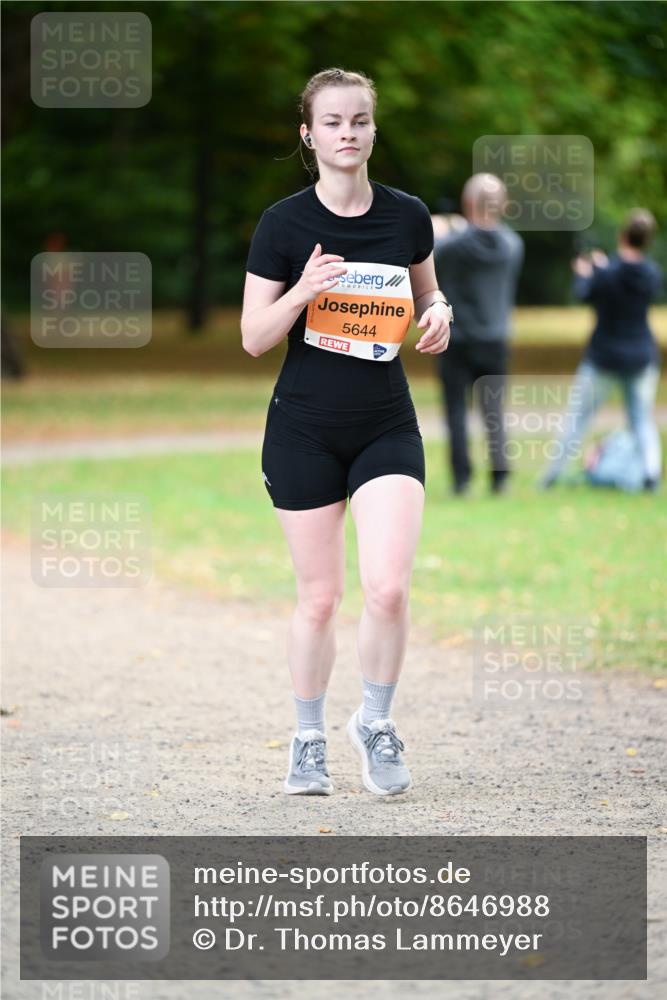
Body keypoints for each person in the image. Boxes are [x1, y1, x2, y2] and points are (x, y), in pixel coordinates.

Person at [241, 68, 452, 796]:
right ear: (309, 134)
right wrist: (303, 289)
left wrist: (439, 316)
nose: (347, 134)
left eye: (358, 120)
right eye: (332, 122)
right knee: (320, 599)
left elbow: (427, 295)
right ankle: (306, 738)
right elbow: (252, 338)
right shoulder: (282, 225)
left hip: (384, 423)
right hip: (301, 428)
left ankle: (375, 720)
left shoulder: (406, 216)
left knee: (388, 587)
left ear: (371, 129)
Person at [540, 209, 663, 491]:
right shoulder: (651, 274)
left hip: (604, 357)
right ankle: (650, 475)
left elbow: (586, 292)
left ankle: (552, 475)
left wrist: (585, 273)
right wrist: (603, 269)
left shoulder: (607, 273)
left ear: (622, 236)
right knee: (641, 419)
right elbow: (623, 277)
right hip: (641, 357)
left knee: (577, 418)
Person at [432, 174, 524, 495]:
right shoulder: (513, 245)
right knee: (495, 414)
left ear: (467, 203)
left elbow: (432, 258)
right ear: (503, 205)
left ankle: (462, 480)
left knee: (456, 411)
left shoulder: (453, 244)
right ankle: (500, 479)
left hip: (456, 341)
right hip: (495, 340)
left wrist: (444, 230)